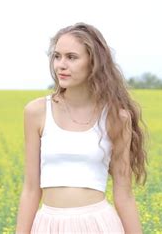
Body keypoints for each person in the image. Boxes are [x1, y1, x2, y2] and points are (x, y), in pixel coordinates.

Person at [15, 22, 149, 233]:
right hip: (49, 225)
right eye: (57, 56)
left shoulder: (116, 118)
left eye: (72, 57)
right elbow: (31, 189)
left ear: (93, 62)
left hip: (98, 225)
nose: (61, 64)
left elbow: (124, 196)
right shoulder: (36, 112)